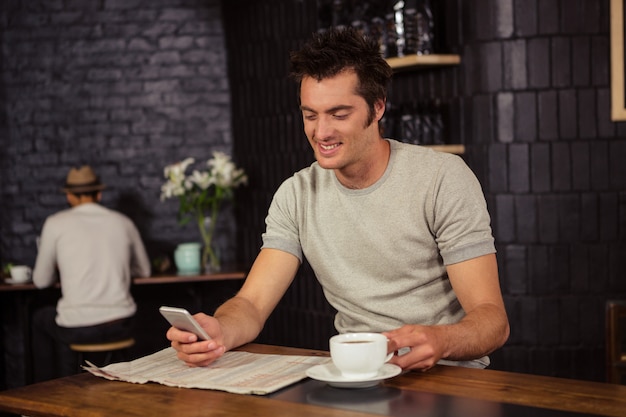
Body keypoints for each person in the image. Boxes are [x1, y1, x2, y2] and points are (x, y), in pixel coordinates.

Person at [167, 27, 510, 371]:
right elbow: (252, 304)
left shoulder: (442, 178)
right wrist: (219, 330)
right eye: (310, 115)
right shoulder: (296, 194)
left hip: (449, 376)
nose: (321, 132)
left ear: (377, 108)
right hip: (357, 377)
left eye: (339, 114)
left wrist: (441, 340)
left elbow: (493, 320)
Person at [32, 165, 151, 382]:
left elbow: (40, 281)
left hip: (77, 329)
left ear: (69, 196)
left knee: (40, 319)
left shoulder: (55, 223)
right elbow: (144, 270)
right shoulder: (123, 222)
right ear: (99, 194)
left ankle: (48, 386)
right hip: (121, 324)